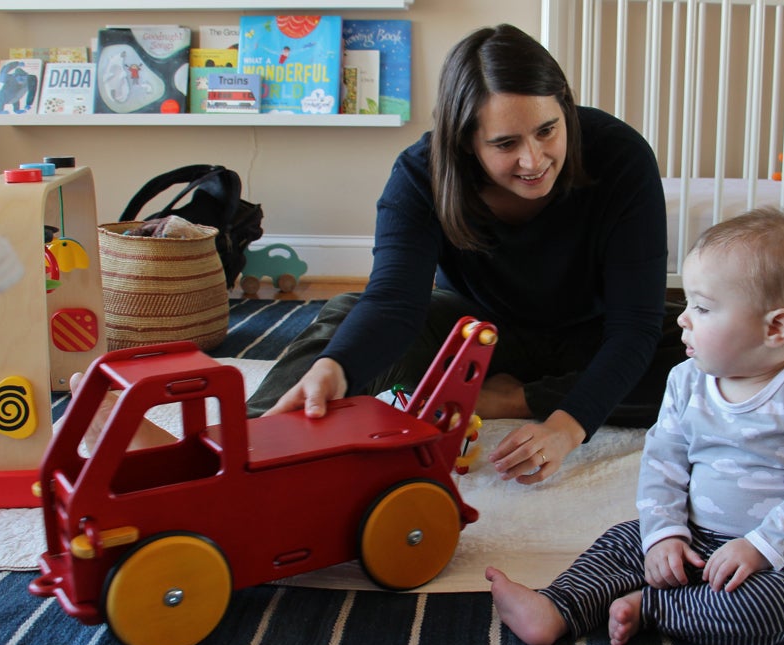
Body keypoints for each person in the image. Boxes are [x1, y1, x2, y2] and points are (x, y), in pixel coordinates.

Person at [244, 23, 684, 484]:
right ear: (466, 142)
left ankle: (506, 397)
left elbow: (635, 326)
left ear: (566, 110)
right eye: (505, 144)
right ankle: (251, 442)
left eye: (547, 131)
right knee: (343, 325)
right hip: (477, 335)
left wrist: (564, 423)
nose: (533, 161)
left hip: (590, 337)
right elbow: (394, 303)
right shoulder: (420, 174)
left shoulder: (621, 154)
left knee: (717, 358)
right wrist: (335, 370)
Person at [486, 207, 784, 645]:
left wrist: (761, 547)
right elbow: (663, 462)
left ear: (776, 327)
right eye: (687, 303)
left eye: (702, 307)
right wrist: (665, 533)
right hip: (693, 535)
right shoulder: (686, 380)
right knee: (623, 541)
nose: (682, 318)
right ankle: (558, 607)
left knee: (768, 611)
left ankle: (652, 606)